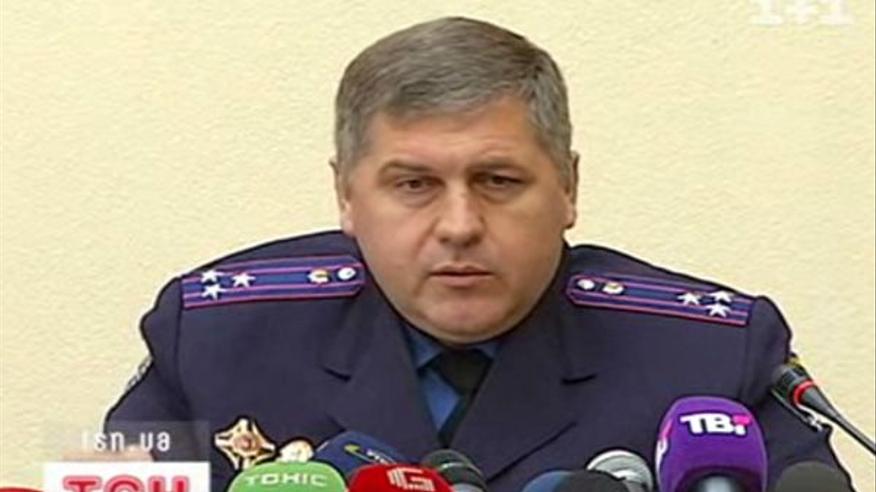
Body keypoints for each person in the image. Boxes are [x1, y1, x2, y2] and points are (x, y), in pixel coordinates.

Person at [105, 16, 851, 491]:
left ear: (567, 188)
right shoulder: (210, 338)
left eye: (498, 181)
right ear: (346, 196)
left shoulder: (712, 357)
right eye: (414, 185)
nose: (459, 225)